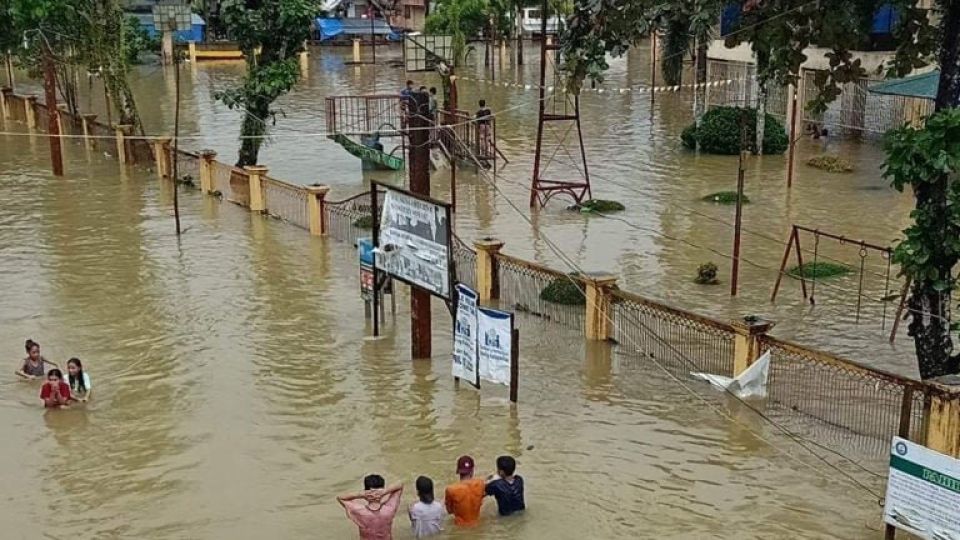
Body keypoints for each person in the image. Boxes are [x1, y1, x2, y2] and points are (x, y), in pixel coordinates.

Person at [337, 474, 404, 540]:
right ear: (382, 488)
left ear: (365, 490)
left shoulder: (359, 511)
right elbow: (400, 485)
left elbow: (340, 498)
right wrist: (384, 492)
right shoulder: (389, 509)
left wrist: (361, 494)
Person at [444, 455, 486, 527]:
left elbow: (449, 511)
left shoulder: (451, 490)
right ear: (472, 470)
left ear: (458, 471)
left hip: (460, 527)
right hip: (477, 525)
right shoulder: (481, 484)